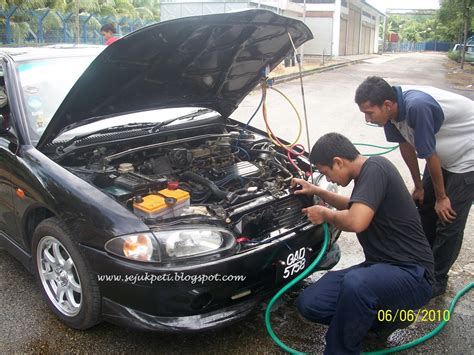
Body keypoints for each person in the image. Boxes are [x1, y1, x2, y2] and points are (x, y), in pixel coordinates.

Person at [293, 132, 434, 355]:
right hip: (379, 268)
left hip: (413, 273)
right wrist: (317, 191)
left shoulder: (376, 167)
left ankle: (341, 350)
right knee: (311, 303)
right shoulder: (366, 176)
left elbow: (356, 220)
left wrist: (326, 214)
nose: (328, 179)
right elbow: (352, 205)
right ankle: (382, 320)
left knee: (357, 283)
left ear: (338, 161)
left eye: (326, 173)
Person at [355, 76, 474, 297]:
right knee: (424, 208)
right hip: (442, 159)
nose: (367, 118)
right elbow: (406, 146)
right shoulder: (391, 113)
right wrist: (419, 186)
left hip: (467, 158)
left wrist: (441, 197)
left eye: (369, 113)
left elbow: (429, 154)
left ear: (387, 105)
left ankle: (436, 279)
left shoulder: (417, 107)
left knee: (449, 220)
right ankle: (422, 264)